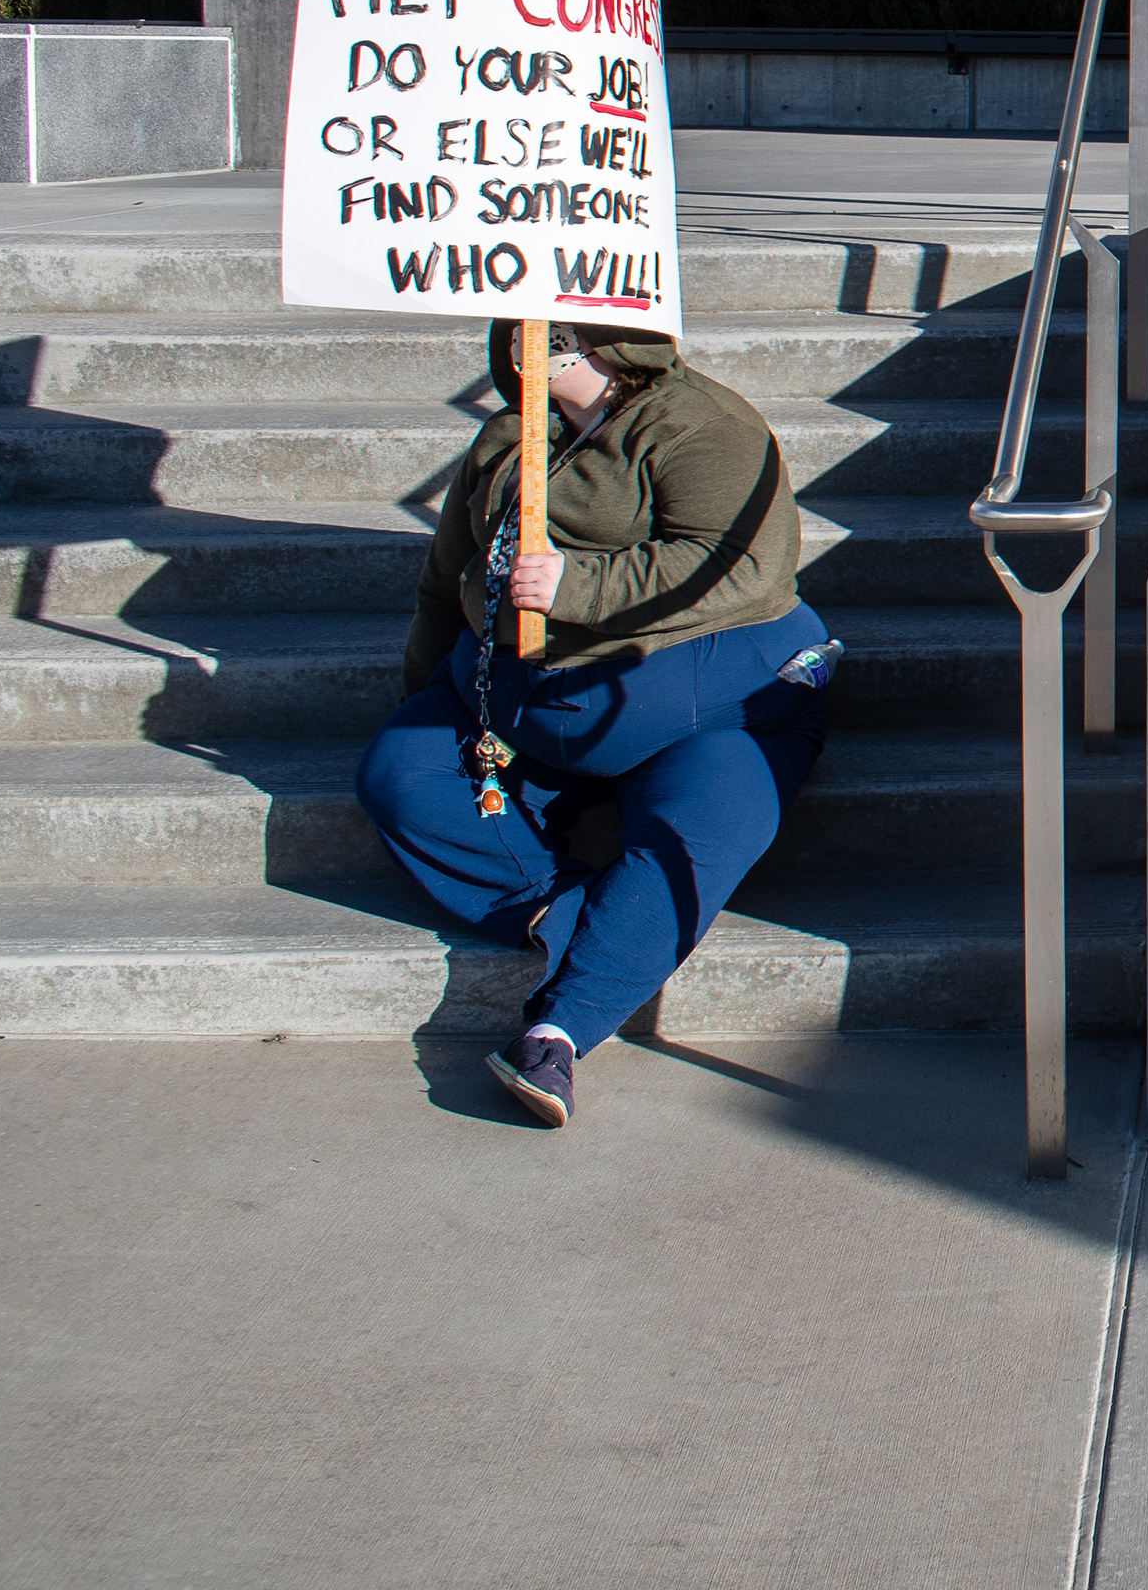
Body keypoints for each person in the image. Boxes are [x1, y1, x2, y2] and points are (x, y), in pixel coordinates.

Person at [358, 320, 836, 1127]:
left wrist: (576, 584)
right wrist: (425, 695)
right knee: (402, 775)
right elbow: (446, 578)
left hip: (704, 703)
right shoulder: (509, 437)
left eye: (556, 336)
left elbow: (742, 561)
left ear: (613, 338)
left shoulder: (704, 424)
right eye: (518, 331)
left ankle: (558, 1031)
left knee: (707, 826)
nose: (527, 348)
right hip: (519, 697)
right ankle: (572, 911)